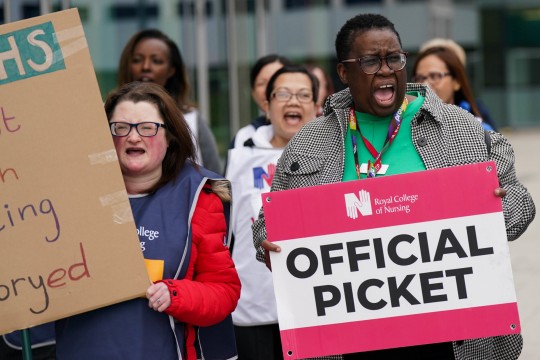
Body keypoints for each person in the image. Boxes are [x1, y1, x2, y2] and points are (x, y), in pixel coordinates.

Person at [252, 13, 535, 360]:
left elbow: (520, 210)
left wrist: (500, 206)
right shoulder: (309, 142)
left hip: (451, 341)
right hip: (350, 340)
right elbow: (268, 223)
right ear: (344, 73)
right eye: (370, 61)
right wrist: (269, 242)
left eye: (394, 59)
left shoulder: (459, 128)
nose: (386, 70)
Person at [55, 82, 241, 360]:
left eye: (147, 127)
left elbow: (224, 292)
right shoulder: (72, 195)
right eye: (121, 127)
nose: (133, 137)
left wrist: (176, 295)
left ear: (170, 137)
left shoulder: (199, 198)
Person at [226, 65, 319, 359]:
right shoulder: (240, 158)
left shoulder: (337, 157)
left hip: (317, 307)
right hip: (254, 309)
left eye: (304, 95)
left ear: (317, 108)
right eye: (283, 94)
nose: (294, 101)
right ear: (266, 107)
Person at [118, 29, 223, 174]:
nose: (146, 67)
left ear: (171, 70)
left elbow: (216, 178)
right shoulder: (109, 115)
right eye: (137, 60)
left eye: (157, 61)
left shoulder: (191, 120)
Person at [417, 38, 498, 131]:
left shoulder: (478, 122)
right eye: (420, 77)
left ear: (457, 79)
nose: (425, 84)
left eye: (435, 76)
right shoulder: (405, 121)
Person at [230, 54, 293, 149]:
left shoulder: (318, 134)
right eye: (261, 83)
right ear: (253, 93)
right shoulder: (243, 138)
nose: (269, 89)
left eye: (276, 80)